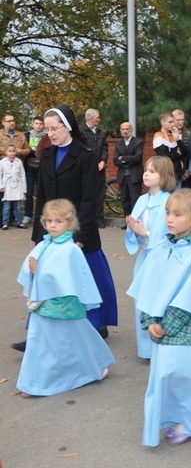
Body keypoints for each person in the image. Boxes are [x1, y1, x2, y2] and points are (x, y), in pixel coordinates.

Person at [127, 189, 191, 446]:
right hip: (160, 326)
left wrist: (165, 325)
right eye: (167, 214)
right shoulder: (164, 246)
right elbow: (150, 285)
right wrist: (149, 319)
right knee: (169, 375)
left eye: (177, 214)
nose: (169, 219)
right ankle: (185, 415)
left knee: (183, 376)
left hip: (184, 328)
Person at [25, 105, 118, 346]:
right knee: (48, 281)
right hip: (52, 232)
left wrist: (80, 236)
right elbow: (42, 198)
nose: (50, 134)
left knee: (86, 282)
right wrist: (38, 234)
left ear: (67, 126)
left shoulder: (85, 155)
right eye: (47, 130)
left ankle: (95, 326)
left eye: (54, 128)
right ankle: (41, 331)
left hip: (80, 233)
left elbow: (90, 199)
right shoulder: (46, 155)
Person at [16, 199, 114, 397]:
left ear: (70, 224)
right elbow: (32, 269)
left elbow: (69, 278)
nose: (53, 225)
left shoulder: (71, 250)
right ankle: (33, 383)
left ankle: (93, 367)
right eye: (49, 221)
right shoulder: (44, 244)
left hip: (63, 306)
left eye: (59, 221)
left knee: (74, 337)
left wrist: (39, 271)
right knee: (41, 342)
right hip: (42, 304)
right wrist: (34, 272)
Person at [124, 156, 176, 359]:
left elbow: (169, 236)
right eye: (146, 170)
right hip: (145, 258)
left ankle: (162, 342)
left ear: (164, 176)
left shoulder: (169, 202)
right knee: (142, 300)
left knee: (160, 299)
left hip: (162, 259)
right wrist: (134, 231)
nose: (146, 174)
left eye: (152, 171)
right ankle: (146, 349)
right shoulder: (141, 200)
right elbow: (135, 234)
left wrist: (145, 233)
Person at [80, 109, 109, 227]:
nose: (99, 119)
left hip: (99, 169)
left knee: (100, 194)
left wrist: (103, 161)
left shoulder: (101, 132)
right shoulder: (81, 131)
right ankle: (86, 218)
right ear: (90, 117)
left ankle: (98, 219)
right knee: (86, 194)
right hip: (86, 169)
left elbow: (105, 148)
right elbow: (80, 148)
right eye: (97, 117)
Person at [113, 122, 144, 217]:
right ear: (120, 130)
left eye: (127, 129)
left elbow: (137, 158)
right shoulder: (119, 144)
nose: (125, 131)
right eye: (123, 129)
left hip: (134, 175)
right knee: (125, 199)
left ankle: (135, 220)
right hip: (123, 176)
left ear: (131, 130)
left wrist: (123, 158)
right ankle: (128, 221)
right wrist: (128, 159)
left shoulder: (138, 142)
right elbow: (115, 161)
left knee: (135, 199)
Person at [153, 111, 187, 190]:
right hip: (166, 174)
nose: (173, 124)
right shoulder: (158, 136)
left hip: (177, 173)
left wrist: (177, 139)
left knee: (176, 200)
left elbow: (185, 152)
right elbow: (164, 156)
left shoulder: (173, 135)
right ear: (162, 122)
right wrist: (178, 155)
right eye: (170, 122)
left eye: (173, 122)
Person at [23, 116, 45, 226]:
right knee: (29, 192)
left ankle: (40, 215)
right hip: (29, 167)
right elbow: (25, 149)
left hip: (41, 167)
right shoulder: (27, 135)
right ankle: (27, 215)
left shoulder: (46, 136)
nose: (38, 126)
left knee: (41, 191)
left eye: (40, 124)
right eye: (36, 123)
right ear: (32, 124)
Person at [1, 143, 27, 230]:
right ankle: (5, 223)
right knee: (6, 206)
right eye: (10, 151)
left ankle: (19, 222)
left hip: (17, 185)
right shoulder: (2, 162)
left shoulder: (19, 162)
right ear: (5, 152)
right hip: (7, 186)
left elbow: (22, 175)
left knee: (17, 206)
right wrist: (1, 185)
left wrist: (24, 188)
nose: (12, 153)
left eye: (13, 151)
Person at [172, 109, 191, 188]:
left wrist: (187, 169)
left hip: (184, 166)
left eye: (182, 120)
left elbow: (189, 153)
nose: (180, 122)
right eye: (178, 120)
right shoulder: (168, 133)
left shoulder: (187, 134)